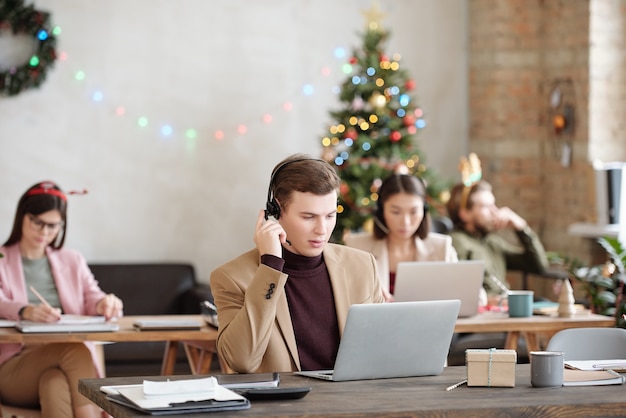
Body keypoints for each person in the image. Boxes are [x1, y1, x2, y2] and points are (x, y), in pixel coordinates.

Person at [210, 154, 384, 374]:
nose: (322, 229)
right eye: (308, 217)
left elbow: (381, 351)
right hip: (284, 406)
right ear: (277, 211)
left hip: (354, 401)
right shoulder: (232, 277)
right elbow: (241, 360)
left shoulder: (362, 265)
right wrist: (270, 267)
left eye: (330, 215)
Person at [0, 181, 123, 418]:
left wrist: (103, 303)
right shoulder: (2, 259)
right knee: (74, 349)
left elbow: (92, 296)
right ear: (22, 216)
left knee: (54, 383)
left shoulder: (72, 260)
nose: (44, 232)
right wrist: (25, 310)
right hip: (13, 367)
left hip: (57, 369)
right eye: (37, 222)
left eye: (53, 226)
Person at [344, 174, 458, 302]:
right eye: (396, 212)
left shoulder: (442, 248)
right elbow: (342, 296)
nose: (405, 222)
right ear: (381, 212)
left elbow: (467, 292)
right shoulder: (356, 247)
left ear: (424, 211)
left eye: (414, 212)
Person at [446, 179, 549, 306]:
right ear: (465, 213)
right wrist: (490, 300)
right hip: (486, 313)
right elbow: (455, 288)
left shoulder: (492, 242)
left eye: (494, 205)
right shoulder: (456, 242)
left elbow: (538, 266)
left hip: (504, 307)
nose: (494, 211)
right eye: (486, 206)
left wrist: (521, 228)